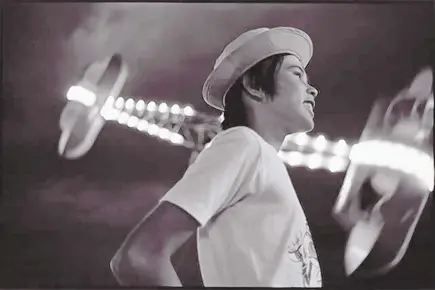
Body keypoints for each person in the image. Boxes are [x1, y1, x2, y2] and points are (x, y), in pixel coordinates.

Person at [110, 26, 322, 287]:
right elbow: (139, 256)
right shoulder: (243, 145)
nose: (312, 89)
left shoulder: (262, 159)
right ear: (254, 85)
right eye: (297, 74)